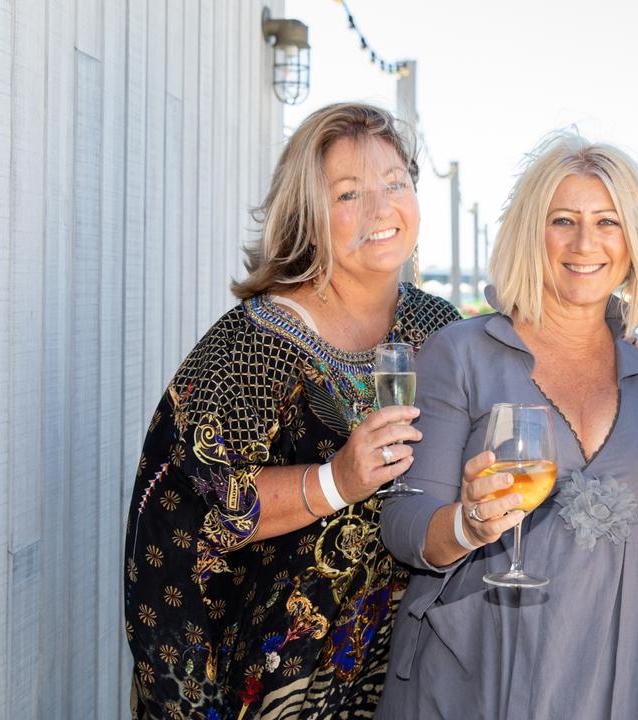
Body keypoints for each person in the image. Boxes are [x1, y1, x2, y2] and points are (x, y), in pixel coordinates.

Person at [123, 102, 460, 719]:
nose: (382, 209)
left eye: (396, 184)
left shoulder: (439, 328)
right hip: (264, 679)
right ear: (307, 215)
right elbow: (195, 512)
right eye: (350, 194)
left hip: (401, 672)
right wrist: (338, 479)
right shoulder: (251, 346)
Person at [375, 134, 638, 720]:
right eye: (563, 220)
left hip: (621, 676)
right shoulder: (460, 352)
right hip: (486, 671)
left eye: (608, 222)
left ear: (634, 240)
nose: (584, 243)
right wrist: (468, 525)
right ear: (530, 231)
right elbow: (403, 521)